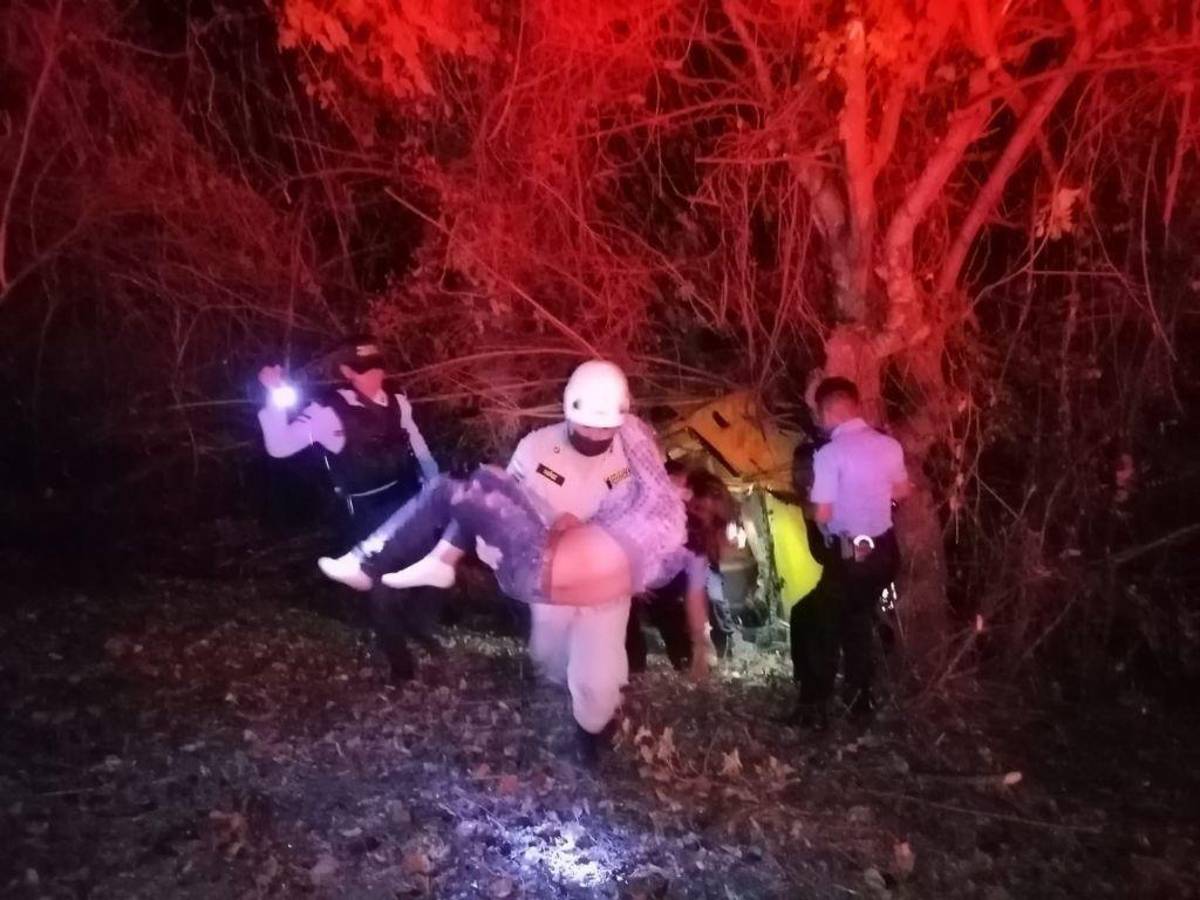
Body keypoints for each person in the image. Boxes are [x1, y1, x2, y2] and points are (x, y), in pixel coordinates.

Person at [321, 361, 677, 764]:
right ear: (567, 412)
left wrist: (593, 531)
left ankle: (592, 731)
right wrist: (547, 518)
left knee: (598, 682)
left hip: (601, 582)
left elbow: (644, 515)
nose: (595, 435)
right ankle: (563, 702)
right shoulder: (538, 446)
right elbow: (514, 498)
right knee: (548, 656)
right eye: (586, 425)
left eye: (605, 427)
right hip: (547, 568)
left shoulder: (636, 456)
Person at [255, 334, 443, 683]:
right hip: (366, 514)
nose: (374, 374)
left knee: (432, 573)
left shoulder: (399, 402)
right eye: (363, 369)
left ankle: (417, 628)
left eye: (377, 365)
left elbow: (419, 446)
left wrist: (436, 488)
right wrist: (273, 397)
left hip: (407, 501)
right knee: (382, 588)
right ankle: (401, 667)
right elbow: (279, 446)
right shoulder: (328, 412)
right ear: (346, 371)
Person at [809, 377, 911, 718]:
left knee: (819, 621)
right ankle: (859, 700)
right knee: (859, 621)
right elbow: (901, 491)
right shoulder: (889, 445)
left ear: (829, 410)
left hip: (851, 555)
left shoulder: (829, 454)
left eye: (818, 413)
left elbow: (823, 511)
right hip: (884, 551)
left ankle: (815, 706)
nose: (818, 421)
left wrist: (819, 515)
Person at [626, 465, 733, 679]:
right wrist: (633, 581)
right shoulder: (652, 511)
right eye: (698, 509)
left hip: (663, 584)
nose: (701, 519)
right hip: (623, 579)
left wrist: (700, 650)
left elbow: (695, 595)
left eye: (709, 516)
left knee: (680, 638)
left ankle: (686, 663)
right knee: (630, 651)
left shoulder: (698, 544)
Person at [778, 441, 839, 730]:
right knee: (803, 614)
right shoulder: (808, 502)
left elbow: (834, 548)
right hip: (835, 573)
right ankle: (808, 697)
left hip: (853, 571)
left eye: (807, 469)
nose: (802, 475)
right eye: (799, 469)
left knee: (818, 623)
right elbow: (819, 552)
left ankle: (817, 702)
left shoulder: (837, 493)